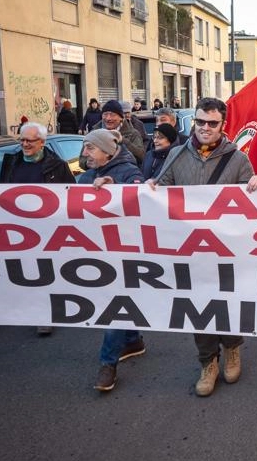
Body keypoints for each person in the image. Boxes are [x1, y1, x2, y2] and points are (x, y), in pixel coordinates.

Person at [151, 97, 257, 397]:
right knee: (198, 306)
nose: (205, 127)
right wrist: (146, 189)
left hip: (227, 250)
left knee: (228, 303)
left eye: (212, 123)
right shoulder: (176, 155)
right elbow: (159, 191)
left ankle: (231, 349)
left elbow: (252, 204)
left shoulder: (238, 159)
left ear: (222, 125)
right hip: (189, 250)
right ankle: (208, 362)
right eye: (200, 121)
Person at [79, 128, 147, 391]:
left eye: (90, 148)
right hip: (97, 251)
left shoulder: (129, 173)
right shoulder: (85, 176)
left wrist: (114, 189)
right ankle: (132, 340)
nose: (85, 154)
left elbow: (140, 199)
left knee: (115, 304)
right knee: (122, 301)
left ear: (107, 151)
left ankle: (108, 364)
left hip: (124, 251)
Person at [0, 121, 76, 336]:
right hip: (18, 226)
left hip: (47, 228)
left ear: (41, 143)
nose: (24, 144)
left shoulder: (57, 166)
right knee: (27, 271)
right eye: (21, 140)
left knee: (44, 271)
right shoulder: (11, 162)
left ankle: (45, 315)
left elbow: (71, 195)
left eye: (30, 141)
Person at [88, 100, 145, 166]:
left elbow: (141, 156)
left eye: (112, 115)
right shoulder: (94, 133)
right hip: (99, 175)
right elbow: (82, 160)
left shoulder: (133, 133)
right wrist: (92, 162)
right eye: (105, 114)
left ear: (121, 118)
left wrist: (122, 140)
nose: (108, 118)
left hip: (124, 174)